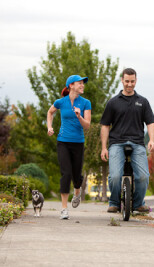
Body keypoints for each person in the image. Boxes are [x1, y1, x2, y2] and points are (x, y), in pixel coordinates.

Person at [100, 68, 154, 213]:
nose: (129, 84)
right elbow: (105, 126)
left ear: (136, 81)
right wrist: (104, 147)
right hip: (116, 143)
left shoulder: (143, 102)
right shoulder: (113, 102)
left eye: (132, 81)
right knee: (115, 176)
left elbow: (150, 122)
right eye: (127, 81)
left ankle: (138, 203)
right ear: (122, 81)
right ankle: (114, 202)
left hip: (137, 143)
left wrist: (151, 140)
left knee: (143, 177)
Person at [47, 75, 91, 219]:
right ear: (71, 85)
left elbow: (87, 126)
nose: (82, 85)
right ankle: (64, 208)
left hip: (78, 142)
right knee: (66, 173)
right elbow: (50, 112)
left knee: (77, 175)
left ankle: (77, 191)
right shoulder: (61, 102)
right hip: (63, 142)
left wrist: (79, 116)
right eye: (80, 83)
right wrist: (49, 127)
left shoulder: (85, 103)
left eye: (83, 83)